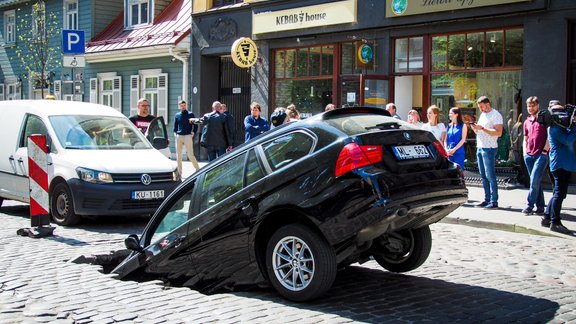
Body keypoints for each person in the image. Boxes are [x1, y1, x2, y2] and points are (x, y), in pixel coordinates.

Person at [541, 103, 576, 234]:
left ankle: (546, 217)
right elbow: (568, 140)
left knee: (557, 193)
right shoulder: (555, 129)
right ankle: (555, 222)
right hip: (560, 165)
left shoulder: (559, 127)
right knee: (559, 194)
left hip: (561, 164)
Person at [470, 96, 503, 209]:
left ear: (488, 104)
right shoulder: (483, 115)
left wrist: (482, 128)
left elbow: (498, 132)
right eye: (479, 107)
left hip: (489, 147)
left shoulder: (496, 115)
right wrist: (475, 128)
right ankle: (486, 198)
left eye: (482, 107)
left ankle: (494, 201)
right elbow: (480, 129)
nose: (481, 109)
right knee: (483, 175)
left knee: (490, 175)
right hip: (480, 146)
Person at [522, 96, 549, 215]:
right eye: (529, 106)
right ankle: (540, 207)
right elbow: (525, 138)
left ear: (538, 105)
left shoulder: (544, 118)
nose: (530, 108)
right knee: (536, 181)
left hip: (541, 155)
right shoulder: (527, 121)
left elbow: (550, 136)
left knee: (533, 180)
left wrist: (545, 150)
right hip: (529, 155)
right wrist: (524, 152)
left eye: (533, 105)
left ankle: (529, 205)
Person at [173, 100, 200, 176]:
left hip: (188, 135)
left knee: (190, 154)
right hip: (179, 136)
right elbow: (175, 126)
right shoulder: (177, 115)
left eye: (184, 105)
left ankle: (198, 169)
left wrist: (193, 132)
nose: (183, 107)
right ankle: (179, 173)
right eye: (181, 105)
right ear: (179, 106)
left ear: (186, 105)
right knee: (179, 156)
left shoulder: (190, 114)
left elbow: (195, 124)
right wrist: (175, 133)